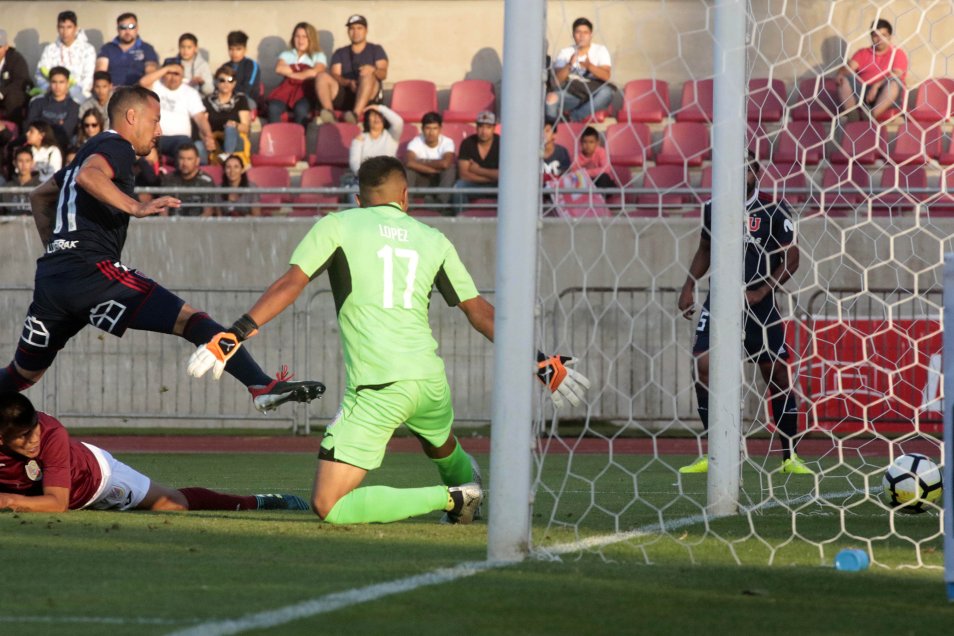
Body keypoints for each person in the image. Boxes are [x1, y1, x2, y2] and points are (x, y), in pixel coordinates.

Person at [187, 156, 590, 525]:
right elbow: (479, 311)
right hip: (429, 381)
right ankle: (476, 492)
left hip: (379, 387)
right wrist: (535, 359)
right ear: (406, 196)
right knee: (442, 446)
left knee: (329, 505)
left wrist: (234, 334)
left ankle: (452, 498)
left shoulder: (339, 224)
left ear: (358, 198)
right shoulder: (433, 238)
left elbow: (292, 283)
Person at [0, 85, 325, 416]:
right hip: (91, 272)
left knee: (21, 374)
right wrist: (135, 207)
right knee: (192, 320)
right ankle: (261, 385)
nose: (159, 131)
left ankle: (261, 386)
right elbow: (89, 177)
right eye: (155, 121)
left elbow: (39, 196)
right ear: (132, 116)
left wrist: (58, 249)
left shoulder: (86, 150)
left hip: (53, 279)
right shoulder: (117, 146)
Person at [676, 154, 811, 475]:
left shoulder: (774, 209)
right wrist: (688, 285)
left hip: (760, 306)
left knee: (777, 375)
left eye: (746, 170)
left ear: (756, 173)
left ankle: (790, 456)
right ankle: (713, 452)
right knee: (703, 366)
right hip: (720, 301)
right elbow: (706, 249)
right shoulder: (713, 207)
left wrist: (761, 293)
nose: (740, 176)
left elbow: (791, 259)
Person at [0, 393, 308, 513]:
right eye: (22, 437)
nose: (33, 440)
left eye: (34, 428)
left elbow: (57, 503)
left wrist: (9, 501)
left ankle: (261, 501)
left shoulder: (52, 434)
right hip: (56, 489)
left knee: (172, 504)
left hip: (95, 480)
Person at [316, 15, 388, 125]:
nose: (355, 32)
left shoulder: (376, 49)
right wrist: (348, 83)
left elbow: (383, 74)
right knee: (321, 76)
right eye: (352, 28)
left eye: (359, 28)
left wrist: (372, 70)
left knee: (367, 74)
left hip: (368, 95)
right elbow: (335, 74)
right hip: (346, 93)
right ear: (348, 31)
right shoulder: (340, 52)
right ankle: (330, 115)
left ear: (366, 30)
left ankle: (355, 115)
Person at [139, 59, 215, 163]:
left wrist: (208, 136)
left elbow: (200, 118)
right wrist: (167, 68)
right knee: (147, 156)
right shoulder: (156, 85)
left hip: (181, 140)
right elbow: (143, 83)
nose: (173, 77)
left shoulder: (190, 92)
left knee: (187, 154)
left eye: (176, 73)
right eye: (169, 73)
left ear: (182, 75)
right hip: (155, 137)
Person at [836, 19, 908, 122]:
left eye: (883, 35)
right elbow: (848, 69)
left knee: (894, 82)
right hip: (864, 94)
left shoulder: (897, 53)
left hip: (886, 95)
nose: (879, 39)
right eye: (875, 36)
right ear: (871, 37)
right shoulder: (862, 53)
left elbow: (897, 73)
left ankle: (870, 116)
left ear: (890, 36)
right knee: (844, 79)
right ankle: (852, 116)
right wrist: (840, 74)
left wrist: (876, 85)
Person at [546, 17, 614, 122]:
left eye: (585, 32)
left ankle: (573, 118)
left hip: (593, 95)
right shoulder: (565, 52)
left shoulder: (600, 50)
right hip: (573, 94)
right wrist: (569, 65)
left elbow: (606, 76)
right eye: (578, 32)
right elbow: (556, 82)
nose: (582, 36)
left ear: (591, 35)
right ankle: (551, 131)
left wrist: (589, 66)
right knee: (551, 98)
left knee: (607, 92)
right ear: (573, 34)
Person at [266, 23, 326, 125]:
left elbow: (315, 72)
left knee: (300, 109)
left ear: (311, 39)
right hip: (286, 91)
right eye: (297, 36)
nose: (300, 40)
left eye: (304, 37)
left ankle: (299, 138)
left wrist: (292, 72)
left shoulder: (318, 55)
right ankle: (276, 138)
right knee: (273, 108)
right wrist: (303, 73)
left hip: (307, 92)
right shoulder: (287, 54)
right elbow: (279, 69)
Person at [34, 10, 97, 103]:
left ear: (75, 28)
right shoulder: (50, 49)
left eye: (69, 27)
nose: (65, 31)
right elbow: (39, 74)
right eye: (61, 27)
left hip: (79, 95)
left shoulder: (87, 49)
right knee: (34, 102)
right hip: (52, 92)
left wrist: (68, 92)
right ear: (57, 28)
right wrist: (54, 90)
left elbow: (88, 78)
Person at [343, 104, 404, 200]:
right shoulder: (360, 139)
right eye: (373, 115)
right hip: (364, 181)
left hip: (387, 181)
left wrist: (379, 108)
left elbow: (399, 122)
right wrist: (368, 176)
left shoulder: (391, 136)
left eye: (379, 115)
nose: (376, 118)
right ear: (367, 119)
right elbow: (354, 163)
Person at [404, 111, 456, 209]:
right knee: (409, 170)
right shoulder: (416, 141)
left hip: (439, 180)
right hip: (422, 180)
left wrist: (420, 162)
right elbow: (409, 162)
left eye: (435, 128)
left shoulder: (447, 142)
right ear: (422, 129)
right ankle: (407, 203)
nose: (431, 132)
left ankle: (440, 205)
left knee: (450, 169)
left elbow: (445, 164)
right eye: (428, 128)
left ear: (440, 129)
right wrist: (431, 170)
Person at [453, 110, 499, 216]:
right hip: (474, 185)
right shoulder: (467, 143)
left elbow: (505, 175)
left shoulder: (502, 143)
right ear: (476, 127)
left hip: (497, 186)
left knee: (510, 186)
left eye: (488, 127)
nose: (484, 131)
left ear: (493, 128)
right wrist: (492, 176)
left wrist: (478, 170)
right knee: (459, 186)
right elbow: (464, 175)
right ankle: (461, 219)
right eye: (481, 127)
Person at [203, 64, 251, 165]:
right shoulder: (208, 100)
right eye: (222, 80)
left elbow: (246, 128)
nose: (226, 83)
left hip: (236, 139)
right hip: (216, 140)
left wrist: (235, 125)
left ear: (234, 83)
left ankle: (227, 156)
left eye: (230, 80)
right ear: (216, 82)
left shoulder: (241, 99)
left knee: (230, 128)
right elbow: (203, 125)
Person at [95, 12, 159, 87]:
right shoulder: (107, 48)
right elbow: (101, 75)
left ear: (137, 28)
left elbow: (150, 74)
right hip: (113, 92)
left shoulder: (147, 48)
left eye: (131, 27)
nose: (127, 31)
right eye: (123, 27)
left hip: (138, 92)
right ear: (118, 29)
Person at [27, 66, 80, 147]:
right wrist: (56, 123)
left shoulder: (74, 107)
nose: (57, 86)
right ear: (49, 83)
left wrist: (43, 122)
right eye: (54, 82)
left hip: (60, 147)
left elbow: (66, 133)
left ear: (67, 84)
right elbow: (30, 127)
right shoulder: (37, 103)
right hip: (35, 145)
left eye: (61, 82)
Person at [163, 143, 216, 217]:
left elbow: (207, 213)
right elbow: (163, 212)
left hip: (198, 226)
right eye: (181, 158)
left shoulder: (206, 181)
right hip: (172, 225)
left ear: (197, 161)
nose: (184, 163)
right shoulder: (169, 178)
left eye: (189, 159)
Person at [0, 29, 34, 128]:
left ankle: (14, 130)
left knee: (14, 97)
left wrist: (2, 92)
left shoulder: (16, 59)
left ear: (6, 46)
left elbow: (21, 80)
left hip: (11, 96)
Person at [226, 31, 264, 113]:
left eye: (238, 49)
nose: (234, 53)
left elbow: (247, 88)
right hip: (227, 97)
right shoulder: (225, 66)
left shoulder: (251, 65)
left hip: (247, 99)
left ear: (245, 50)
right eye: (231, 49)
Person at [0, 146, 39, 215]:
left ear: (32, 163)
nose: (24, 165)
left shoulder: (40, 187)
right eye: (20, 161)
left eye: (27, 161)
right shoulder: (7, 188)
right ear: (15, 163)